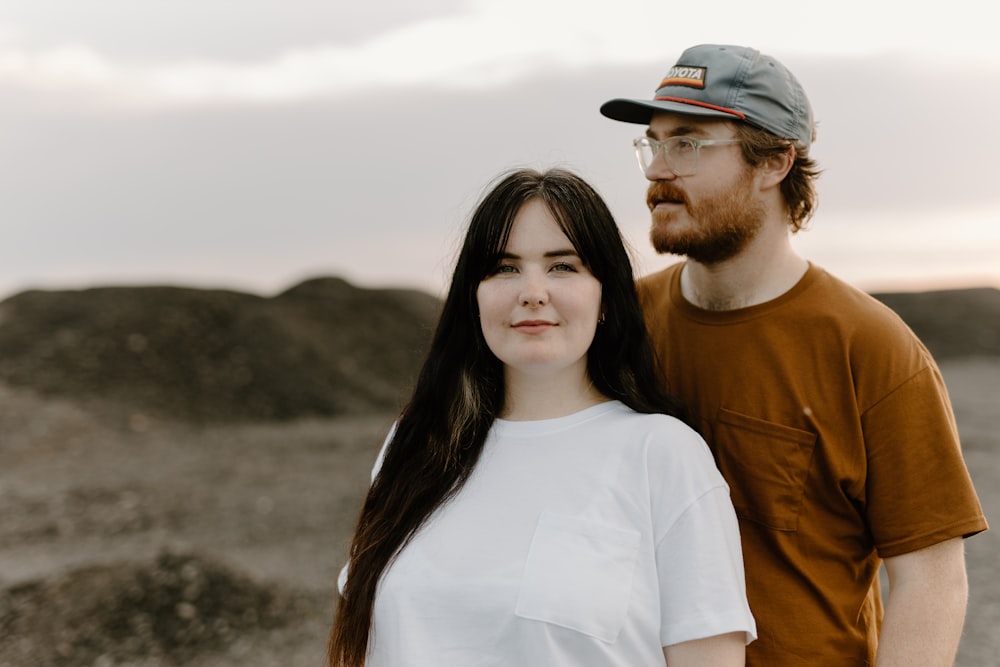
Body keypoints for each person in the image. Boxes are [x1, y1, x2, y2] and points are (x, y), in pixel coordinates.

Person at [599, 44, 988, 665]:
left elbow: (931, 578)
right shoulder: (617, 326)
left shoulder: (873, 348)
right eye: (654, 143)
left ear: (775, 162)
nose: (656, 170)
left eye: (688, 144)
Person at [327, 167, 756, 666]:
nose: (531, 291)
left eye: (563, 266)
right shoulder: (418, 441)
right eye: (504, 268)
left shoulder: (662, 454)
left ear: (605, 298)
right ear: (474, 296)